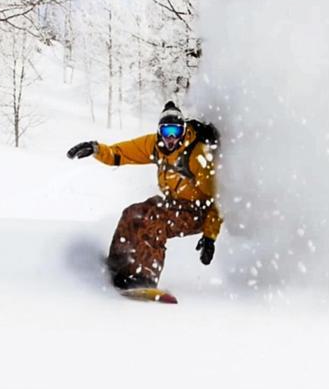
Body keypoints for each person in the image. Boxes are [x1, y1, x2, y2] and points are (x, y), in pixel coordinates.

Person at [67, 101, 222, 290]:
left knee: (154, 220)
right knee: (133, 213)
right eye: (166, 132)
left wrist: (209, 237)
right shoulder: (155, 145)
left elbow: (218, 201)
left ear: (184, 131)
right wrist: (96, 149)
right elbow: (121, 153)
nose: (171, 138)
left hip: (200, 212)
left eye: (176, 132)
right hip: (174, 204)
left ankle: (144, 278)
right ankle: (119, 265)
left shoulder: (197, 155)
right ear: (159, 132)